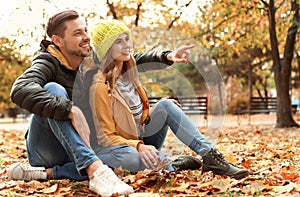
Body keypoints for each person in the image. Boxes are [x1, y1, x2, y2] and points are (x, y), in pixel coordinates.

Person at [7, 10, 198, 197]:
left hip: (80, 149)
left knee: (130, 157)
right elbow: (20, 89)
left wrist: (166, 56)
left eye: (85, 31)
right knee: (53, 90)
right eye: (77, 33)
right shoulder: (47, 62)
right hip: (49, 150)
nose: (86, 37)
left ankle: (52, 173)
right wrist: (69, 109)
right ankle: (96, 171)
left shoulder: (89, 58)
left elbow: (127, 57)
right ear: (58, 41)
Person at [88, 19, 249, 179]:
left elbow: (132, 118)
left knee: (165, 104)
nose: (127, 45)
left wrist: (159, 110)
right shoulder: (100, 85)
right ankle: (173, 164)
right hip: (124, 149)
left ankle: (211, 157)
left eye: (126, 39)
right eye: (118, 41)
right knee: (149, 163)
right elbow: (106, 137)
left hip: (142, 140)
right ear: (106, 49)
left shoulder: (130, 71)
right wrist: (138, 146)